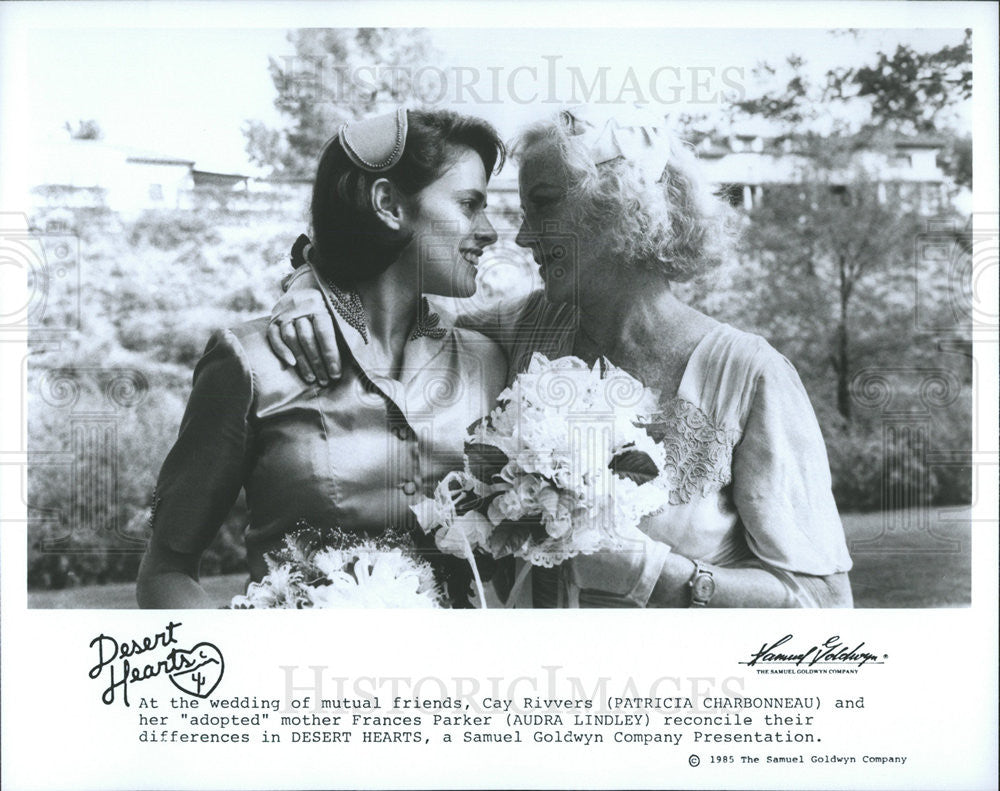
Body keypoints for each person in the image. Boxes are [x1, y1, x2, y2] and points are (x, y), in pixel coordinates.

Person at [267, 106, 854, 608]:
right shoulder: (521, 329)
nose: (521, 238)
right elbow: (386, 316)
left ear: (621, 204)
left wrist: (664, 576)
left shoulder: (751, 375)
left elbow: (825, 603)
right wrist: (310, 285)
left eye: (542, 204)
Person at [137, 108, 508, 608]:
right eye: (469, 205)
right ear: (388, 204)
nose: (490, 232)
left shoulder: (491, 362)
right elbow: (165, 572)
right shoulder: (250, 363)